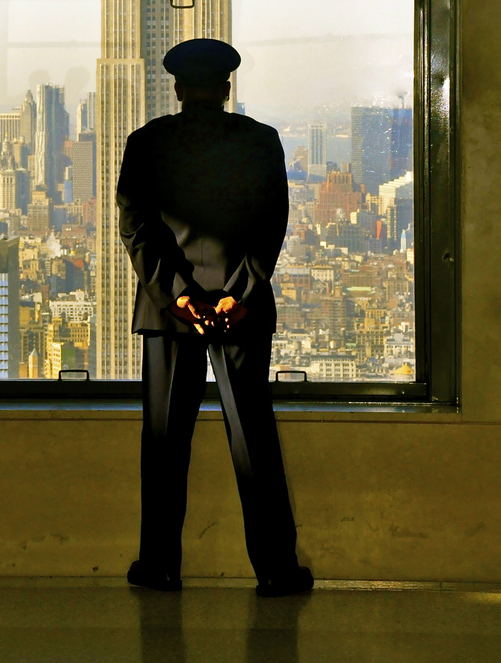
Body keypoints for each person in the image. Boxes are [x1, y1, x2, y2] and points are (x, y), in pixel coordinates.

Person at [117, 38, 313, 597]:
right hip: (241, 312)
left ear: (177, 88)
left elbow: (137, 228)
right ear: (227, 87)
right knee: (253, 436)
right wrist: (238, 293)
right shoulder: (261, 142)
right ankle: (276, 568)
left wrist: (178, 296)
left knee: (164, 443)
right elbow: (271, 223)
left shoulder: (146, 143)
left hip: (169, 313)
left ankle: (159, 565)